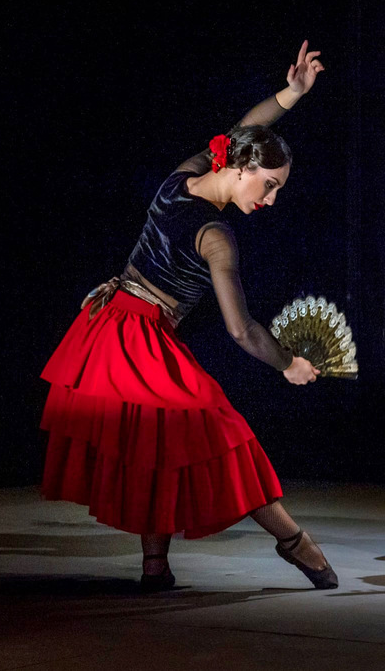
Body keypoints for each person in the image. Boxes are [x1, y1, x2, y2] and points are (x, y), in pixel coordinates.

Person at [39, 41, 337, 591]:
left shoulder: (181, 178)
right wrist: (288, 362)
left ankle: (155, 566)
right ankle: (297, 542)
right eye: (269, 186)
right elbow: (241, 330)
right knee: (222, 432)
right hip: (136, 336)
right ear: (244, 167)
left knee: (157, 443)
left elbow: (241, 130)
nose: (270, 201)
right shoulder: (217, 236)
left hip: (110, 326)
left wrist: (290, 95)